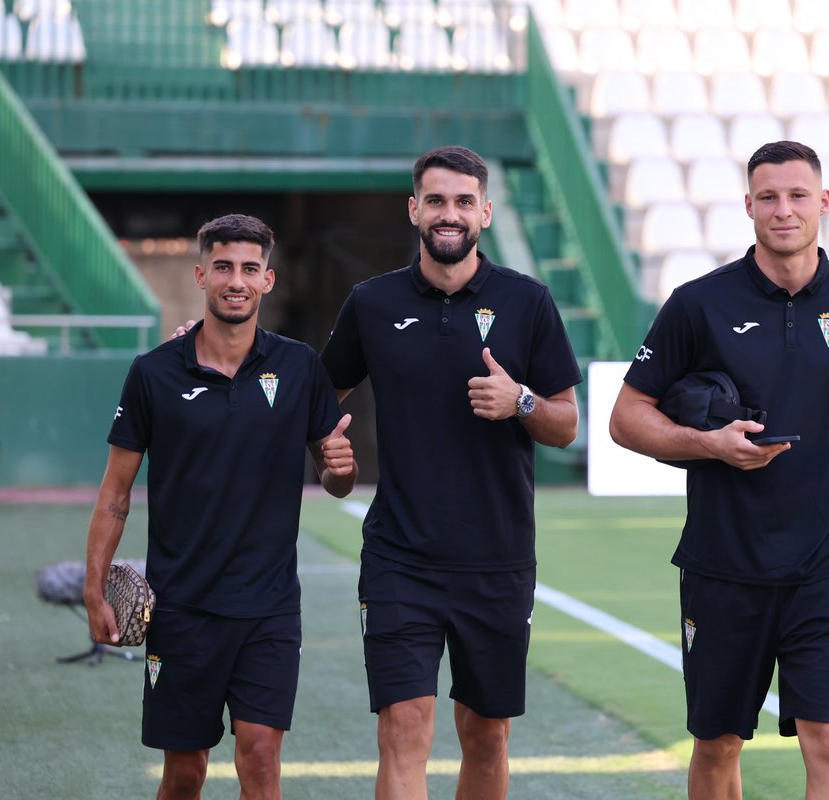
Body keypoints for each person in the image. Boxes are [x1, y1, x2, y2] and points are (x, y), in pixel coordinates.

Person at [608, 141, 829, 800]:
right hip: (722, 565)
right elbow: (626, 419)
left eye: (798, 195)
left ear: (823, 202)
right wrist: (710, 445)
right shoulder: (697, 303)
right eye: (768, 196)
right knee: (717, 746)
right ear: (748, 206)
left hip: (825, 564)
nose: (783, 209)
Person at [319, 145, 582, 800]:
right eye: (435, 200)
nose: (449, 213)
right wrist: (330, 456)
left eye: (464, 201)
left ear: (485, 213)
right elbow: (315, 399)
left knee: (486, 735)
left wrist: (519, 401)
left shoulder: (528, 302)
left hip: (497, 559)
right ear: (414, 210)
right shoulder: (372, 304)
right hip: (399, 557)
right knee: (404, 728)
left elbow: (566, 423)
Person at [83, 213, 357, 800]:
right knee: (186, 772)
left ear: (269, 280)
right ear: (201, 274)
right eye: (225, 267)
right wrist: (94, 587)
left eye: (250, 269)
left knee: (260, 755)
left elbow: (336, 480)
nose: (237, 280)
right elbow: (115, 494)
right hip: (182, 607)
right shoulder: (153, 374)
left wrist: (343, 469)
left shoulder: (299, 366)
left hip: (270, 607)